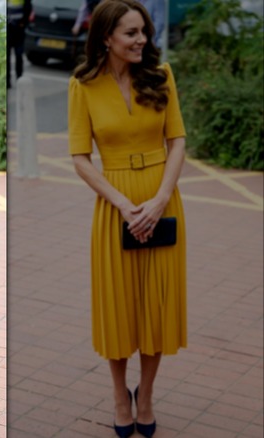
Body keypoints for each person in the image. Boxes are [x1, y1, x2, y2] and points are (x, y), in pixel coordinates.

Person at [68, 1, 186, 437]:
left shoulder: (162, 75)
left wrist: (158, 201)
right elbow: (80, 158)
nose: (142, 41)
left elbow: (177, 142)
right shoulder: (83, 85)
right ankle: (121, 395)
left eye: (143, 32)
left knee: (155, 305)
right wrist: (123, 203)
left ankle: (147, 394)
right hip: (114, 206)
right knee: (118, 307)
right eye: (131, 33)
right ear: (106, 38)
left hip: (162, 198)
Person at [6, 0, 32, 88]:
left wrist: (23, 23)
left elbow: (28, 8)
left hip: (18, 28)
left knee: (18, 54)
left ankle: (19, 79)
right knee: (7, 56)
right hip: (8, 28)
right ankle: (7, 81)